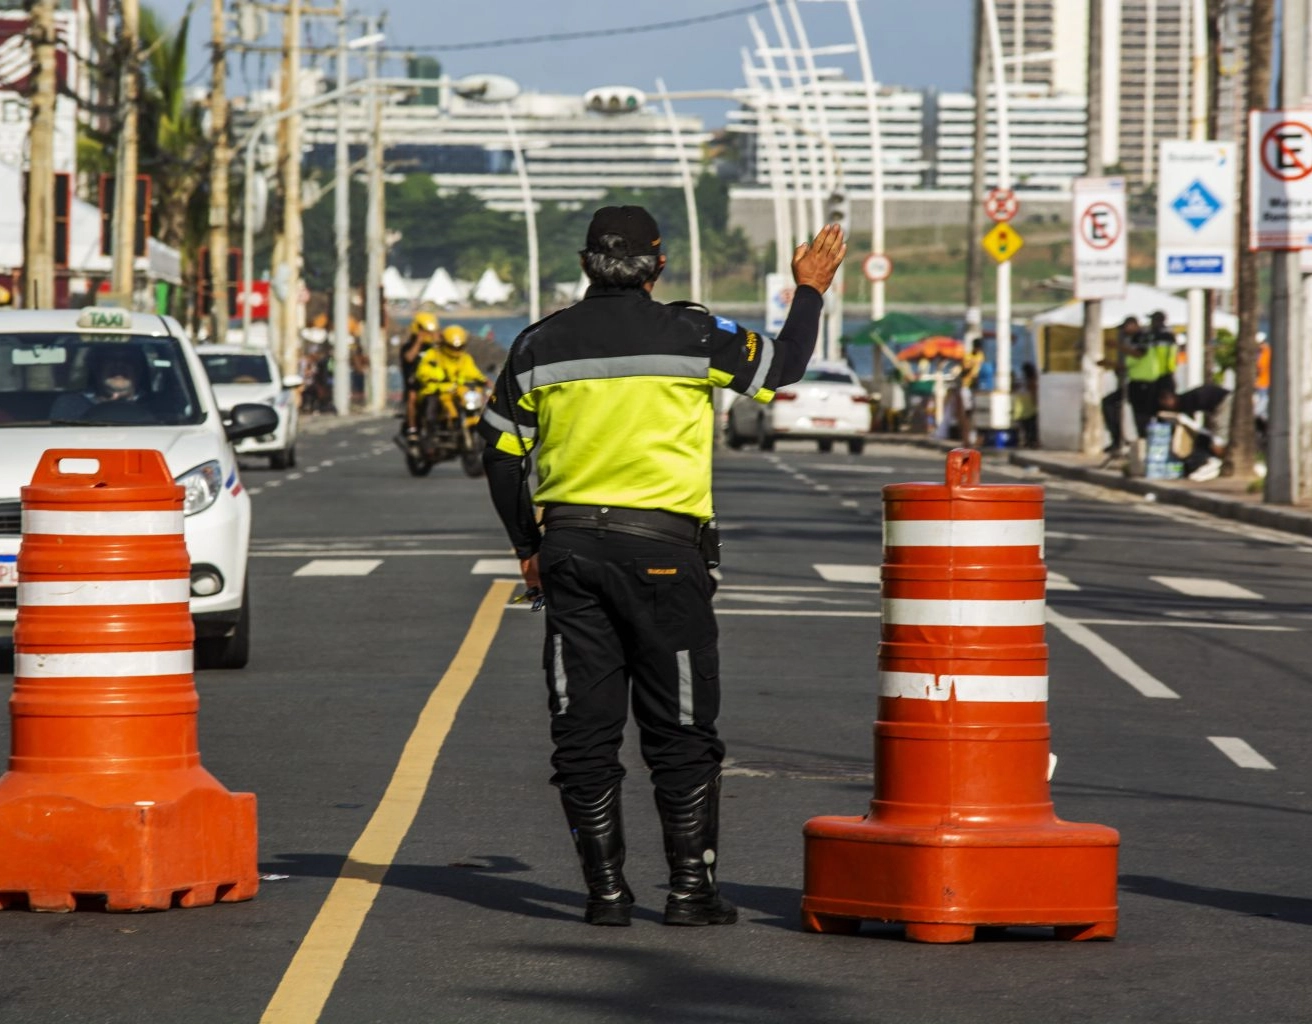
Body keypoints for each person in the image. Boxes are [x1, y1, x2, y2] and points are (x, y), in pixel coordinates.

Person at [478, 206, 846, 928]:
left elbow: (499, 457)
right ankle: (689, 890)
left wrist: (528, 547)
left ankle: (605, 893)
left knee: (584, 731)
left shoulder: (537, 345)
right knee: (679, 728)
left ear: (585, 265)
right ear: (659, 268)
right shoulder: (695, 334)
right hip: (665, 559)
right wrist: (810, 288)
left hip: (572, 554)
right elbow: (786, 366)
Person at [413, 325, 489, 424]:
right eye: (452, 347)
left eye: (459, 347)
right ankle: (430, 434)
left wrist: (484, 380)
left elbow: (474, 372)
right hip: (436, 391)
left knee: (477, 408)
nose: (456, 350)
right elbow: (422, 371)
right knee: (431, 410)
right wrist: (437, 376)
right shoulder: (433, 354)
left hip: (459, 392)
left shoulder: (465, 358)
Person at [400, 311, 440, 443]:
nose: (428, 334)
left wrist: (437, 340)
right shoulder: (408, 347)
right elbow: (409, 358)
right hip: (415, 384)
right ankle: (412, 428)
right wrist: (419, 341)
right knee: (412, 398)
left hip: (433, 384)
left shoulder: (433, 348)